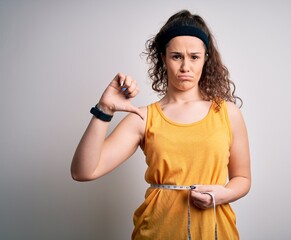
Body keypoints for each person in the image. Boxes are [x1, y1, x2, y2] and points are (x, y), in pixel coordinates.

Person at [71, 9, 251, 240]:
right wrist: (104, 109)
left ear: (206, 58)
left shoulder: (227, 113)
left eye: (194, 57)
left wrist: (222, 194)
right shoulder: (144, 118)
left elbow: (243, 179)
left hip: (215, 232)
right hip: (156, 232)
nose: (185, 66)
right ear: (163, 58)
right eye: (176, 56)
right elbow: (83, 171)